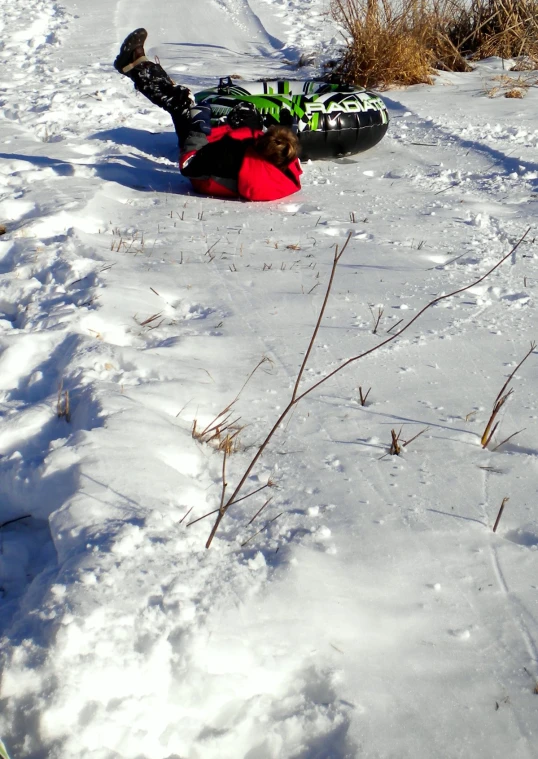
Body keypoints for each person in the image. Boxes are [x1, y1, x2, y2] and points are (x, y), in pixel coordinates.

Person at [114, 29, 302, 201]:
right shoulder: (283, 159)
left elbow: (190, 165)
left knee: (183, 102)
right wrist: (256, 125)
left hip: (203, 162)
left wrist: (196, 129)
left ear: (259, 149)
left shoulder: (232, 159)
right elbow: (273, 151)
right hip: (229, 155)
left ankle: (134, 65)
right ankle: (138, 65)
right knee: (246, 111)